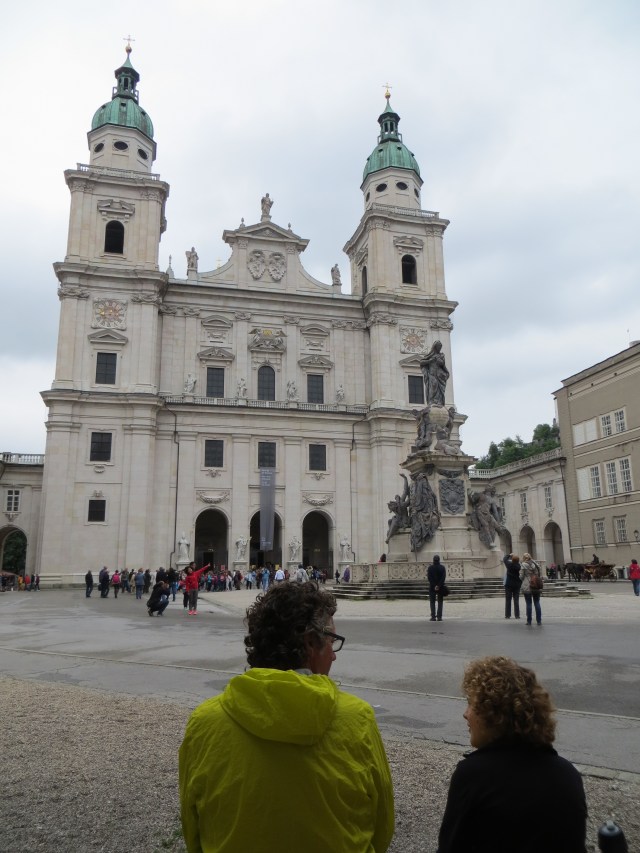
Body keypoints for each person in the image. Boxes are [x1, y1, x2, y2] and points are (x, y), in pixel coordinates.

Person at [179, 582, 394, 853]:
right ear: (310, 643)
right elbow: (382, 826)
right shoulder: (358, 719)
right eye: (331, 641)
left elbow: (193, 828)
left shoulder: (204, 723)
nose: (334, 656)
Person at [437, 656, 587, 853]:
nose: (466, 714)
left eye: (470, 703)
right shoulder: (568, 774)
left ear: (492, 712)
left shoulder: (473, 776)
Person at [419, 340, 449, 407]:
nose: (439, 348)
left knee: (439, 389)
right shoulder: (431, 355)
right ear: (435, 347)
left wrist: (439, 361)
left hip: (440, 375)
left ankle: (439, 402)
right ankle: (431, 401)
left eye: (440, 347)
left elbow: (443, 364)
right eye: (438, 347)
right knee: (433, 386)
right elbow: (421, 362)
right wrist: (430, 361)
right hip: (432, 374)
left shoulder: (441, 355)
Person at [520, 552, 542, 626]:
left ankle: (529, 621)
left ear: (524, 558)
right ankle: (539, 620)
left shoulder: (523, 565)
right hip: (536, 585)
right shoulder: (535, 564)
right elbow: (539, 573)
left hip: (527, 585)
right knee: (537, 602)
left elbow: (521, 576)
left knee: (528, 603)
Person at [427, 555, 446, 621]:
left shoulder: (430, 568)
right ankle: (439, 617)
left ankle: (433, 616)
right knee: (440, 602)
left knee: (432, 602)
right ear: (439, 560)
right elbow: (443, 578)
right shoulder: (442, 567)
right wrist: (438, 585)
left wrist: (434, 585)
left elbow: (429, 578)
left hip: (432, 587)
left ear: (433, 560)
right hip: (440, 587)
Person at [502, 553, 521, 619]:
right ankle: (517, 615)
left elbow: (504, 559)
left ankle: (507, 615)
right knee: (516, 600)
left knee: (508, 600)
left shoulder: (509, 565)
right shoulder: (519, 566)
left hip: (509, 584)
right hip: (517, 584)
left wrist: (509, 555)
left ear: (512, 560)